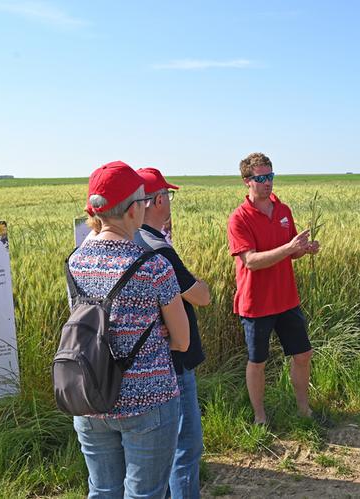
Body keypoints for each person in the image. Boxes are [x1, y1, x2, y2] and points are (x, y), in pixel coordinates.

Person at [68, 160, 190, 498]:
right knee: (145, 493)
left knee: (103, 490)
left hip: (90, 395)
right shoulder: (154, 267)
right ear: (134, 210)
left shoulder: (75, 261)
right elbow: (182, 340)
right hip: (147, 401)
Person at [134, 167, 211, 499]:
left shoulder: (128, 242)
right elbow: (200, 296)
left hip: (143, 364)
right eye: (168, 196)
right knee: (185, 447)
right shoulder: (158, 248)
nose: (170, 203)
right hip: (173, 362)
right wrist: (202, 284)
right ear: (158, 200)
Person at [227, 152, 320, 425]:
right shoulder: (239, 218)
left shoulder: (283, 211)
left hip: (286, 298)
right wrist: (289, 248)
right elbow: (251, 262)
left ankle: (304, 410)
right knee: (258, 362)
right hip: (256, 303)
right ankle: (260, 417)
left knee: (303, 354)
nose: (268, 182)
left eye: (271, 176)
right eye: (262, 177)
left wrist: (302, 250)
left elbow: (290, 254)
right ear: (247, 181)